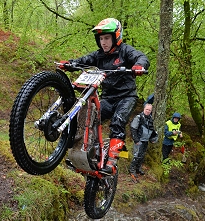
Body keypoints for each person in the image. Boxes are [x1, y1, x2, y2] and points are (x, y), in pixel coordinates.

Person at [59, 17, 150, 174]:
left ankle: (112, 161)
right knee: (89, 116)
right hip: (108, 98)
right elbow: (85, 60)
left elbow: (141, 57)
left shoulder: (126, 51)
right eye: (101, 39)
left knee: (118, 121)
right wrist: (71, 64)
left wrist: (139, 66)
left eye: (107, 38)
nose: (104, 42)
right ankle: (84, 151)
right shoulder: (99, 55)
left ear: (116, 37)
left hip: (126, 97)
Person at [128, 103, 158, 179]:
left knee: (142, 155)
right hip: (139, 139)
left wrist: (152, 138)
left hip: (145, 140)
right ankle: (132, 169)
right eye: (147, 109)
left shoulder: (150, 118)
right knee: (136, 155)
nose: (148, 111)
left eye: (149, 110)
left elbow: (151, 129)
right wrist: (136, 140)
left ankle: (138, 169)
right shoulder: (139, 117)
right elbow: (133, 128)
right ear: (144, 109)